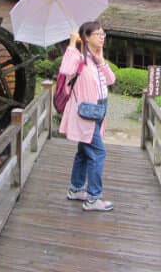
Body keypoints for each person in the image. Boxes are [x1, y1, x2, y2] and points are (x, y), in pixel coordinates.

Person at [58, 21, 116, 212]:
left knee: (84, 151)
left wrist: (101, 61)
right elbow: (65, 70)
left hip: (98, 112)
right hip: (85, 114)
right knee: (99, 152)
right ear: (87, 37)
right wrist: (72, 43)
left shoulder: (93, 59)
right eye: (98, 34)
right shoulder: (78, 59)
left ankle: (75, 189)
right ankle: (93, 197)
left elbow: (111, 80)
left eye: (103, 34)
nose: (102, 37)